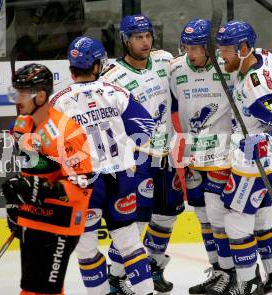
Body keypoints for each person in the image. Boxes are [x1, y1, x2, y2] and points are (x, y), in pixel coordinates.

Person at [49, 36, 155, 295]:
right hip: (120, 178)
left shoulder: (58, 101)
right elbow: (147, 128)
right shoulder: (115, 92)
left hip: (84, 184)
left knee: (86, 248)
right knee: (129, 244)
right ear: (98, 65)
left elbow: (47, 147)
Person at [216, 21, 272, 295]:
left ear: (244, 48)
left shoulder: (256, 88)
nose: (222, 57)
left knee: (235, 216)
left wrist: (263, 139)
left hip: (257, 162)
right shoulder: (266, 55)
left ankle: (248, 282)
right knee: (262, 215)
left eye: (227, 51)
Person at [100, 13, 185, 294]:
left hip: (166, 154)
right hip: (136, 158)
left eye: (148, 36)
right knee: (134, 222)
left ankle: (154, 266)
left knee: (167, 215)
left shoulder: (163, 59)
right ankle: (116, 276)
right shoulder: (112, 76)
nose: (145, 41)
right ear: (126, 40)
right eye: (138, 37)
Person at [2, 63, 93, 295]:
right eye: (16, 92)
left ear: (41, 96)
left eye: (22, 94)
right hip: (32, 217)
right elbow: (29, 170)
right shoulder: (22, 124)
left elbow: (83, 185)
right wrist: (17, 202)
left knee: (45, 290)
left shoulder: (67, 131)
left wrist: (42, 190)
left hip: (61, 222)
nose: (17, 99)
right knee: (32, 289)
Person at [170, 18, 238, 295]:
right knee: (203, 216)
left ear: (210, 46)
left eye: (197, 47)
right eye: (187, 47)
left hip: (223, 154)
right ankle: (217, 269)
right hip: (193, 155)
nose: (191, 53)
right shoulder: (176, 69)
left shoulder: (227, 66)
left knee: (219, 215)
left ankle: (231, 272)